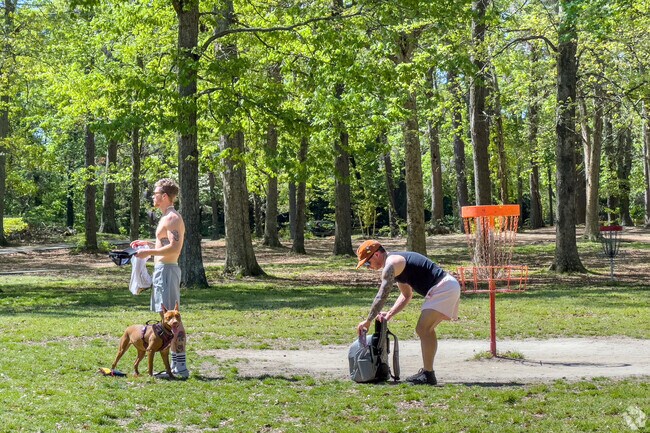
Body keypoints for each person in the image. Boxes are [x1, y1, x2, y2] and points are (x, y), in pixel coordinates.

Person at [355, 240, 460, 385]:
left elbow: (381, 295)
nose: (368, 268)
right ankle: (428, 373)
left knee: (423, 329)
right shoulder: (397, 265)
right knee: (426, 330)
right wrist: (390, 313)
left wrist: (368, 320)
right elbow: (406, 295)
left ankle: (428, 374)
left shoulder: (391, 264)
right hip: (446, 287)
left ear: (377, 254)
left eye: (367, 263)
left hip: (443, 288)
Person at [131, 178, 189, 378]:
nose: (153, 197)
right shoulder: (165, 217)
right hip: (161, 271)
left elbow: (174, 247)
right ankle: (172, 366)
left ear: (164, 196)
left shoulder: (172, 218)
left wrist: (149, 254)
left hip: (167, 271)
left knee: (173, 320)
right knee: (165, 320)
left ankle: (179, 367)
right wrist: (147, 245)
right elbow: (165, 242)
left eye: (155, 194)